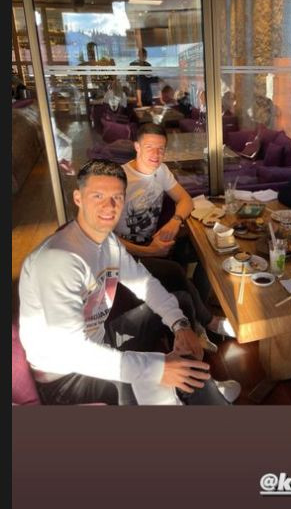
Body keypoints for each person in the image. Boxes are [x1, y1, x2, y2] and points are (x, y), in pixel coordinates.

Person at [19, 160, 237, 406]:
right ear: (78, 198)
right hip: (68, 377)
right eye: (98, 196)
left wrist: (179, 325)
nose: (109, 206)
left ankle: (200, 388)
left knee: (181, 305)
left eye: (117, 197)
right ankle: (201, 393)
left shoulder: (108, 242)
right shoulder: (58, 260)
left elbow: (144, 283)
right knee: (158, 376)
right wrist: (157, 369)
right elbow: (74, 352)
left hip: (102, 341)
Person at [115, 124, 236, 346]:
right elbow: (106, 238)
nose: (156, 154)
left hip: (156, 242)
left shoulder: (161, 171)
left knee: (207, 251)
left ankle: (196, 315)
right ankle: (208, 322)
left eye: (161, 149)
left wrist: (175, 221)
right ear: (137, 147)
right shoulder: (120, 180)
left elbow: (185, 200)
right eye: (149, 147)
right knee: (174, 270)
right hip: (126, 254)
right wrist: (149, 251)